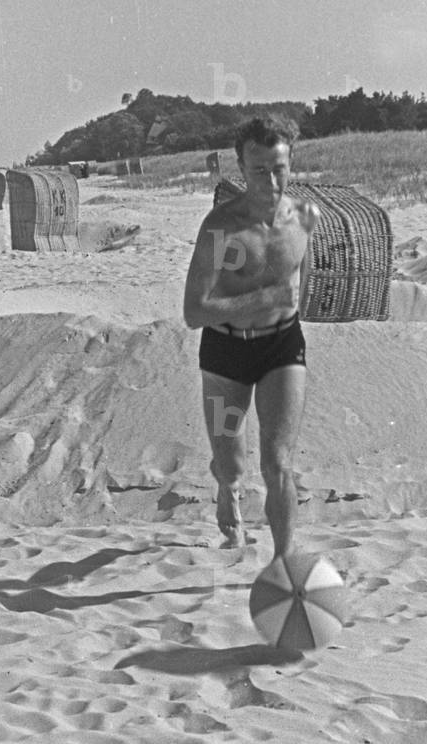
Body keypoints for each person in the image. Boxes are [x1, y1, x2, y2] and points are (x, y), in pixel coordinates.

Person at [183, 117, 319, 556]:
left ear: (291, 163)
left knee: (278, 462)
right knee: (231, 464)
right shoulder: (223, 229)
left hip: (282, 347)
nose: (271, 180)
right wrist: (261, 300)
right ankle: (227, 487)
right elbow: (194, 311)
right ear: (242, 169)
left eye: (279, 168)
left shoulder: (305, 217)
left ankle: (283, 564)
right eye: (259, 170)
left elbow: (302, 288)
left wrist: (282, 308)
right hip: (225, 357)